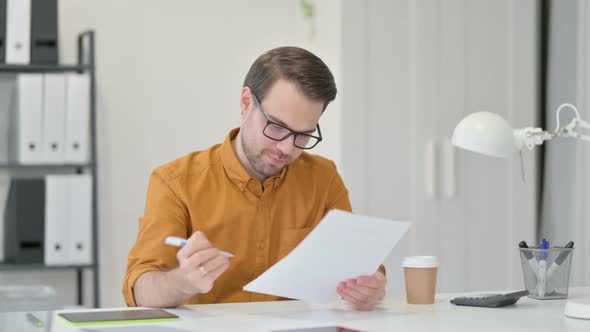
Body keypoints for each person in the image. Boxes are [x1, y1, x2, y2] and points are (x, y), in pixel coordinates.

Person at [123, 46, 386, 311]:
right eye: (277, 127)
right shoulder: (175, 182)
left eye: (303, 135)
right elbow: (141, 291)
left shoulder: (323, 179)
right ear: (246, 102)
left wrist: (368, 287)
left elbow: (359, 265)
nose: (287, 149)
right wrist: (182, 282)